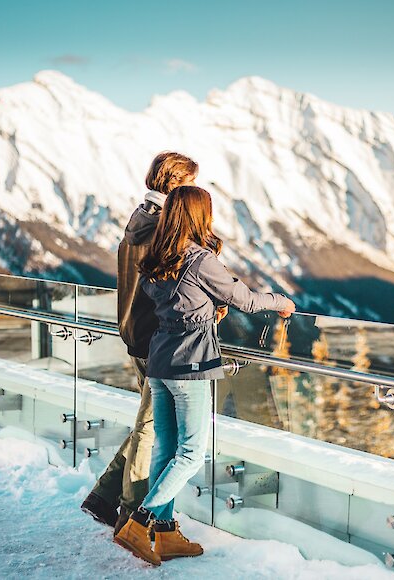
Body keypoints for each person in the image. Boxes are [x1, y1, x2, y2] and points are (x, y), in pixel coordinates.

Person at [113, 185, 295, 565]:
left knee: (166, 448)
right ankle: (141, 520)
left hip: (160, 363)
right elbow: (243, 298)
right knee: (193, 453)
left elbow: (173, 300)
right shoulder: (198, 259)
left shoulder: (158, 256)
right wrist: (281, 303)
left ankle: (164, 535)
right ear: (199, 217)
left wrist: (204, 309)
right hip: (190, 365)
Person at [80, 152, 204, 533]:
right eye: (190, 184)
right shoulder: (162, 233)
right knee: (152, 430)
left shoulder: (137, 222)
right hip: (160, 341)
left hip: (135, 335)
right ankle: (133, 513)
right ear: (176, 185)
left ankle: (102, 498)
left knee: (147, 424)